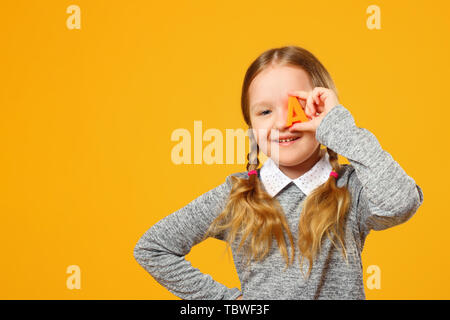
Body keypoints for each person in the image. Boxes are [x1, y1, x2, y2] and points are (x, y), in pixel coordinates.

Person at [133, 45, 424, 300]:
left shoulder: (351, 189)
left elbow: (401, 202)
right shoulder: (238, 194)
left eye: (296, 106)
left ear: (322, 111)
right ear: (251, 128)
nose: (282, 123)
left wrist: (339, 127)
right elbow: (153, 248)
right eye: (264, 112)